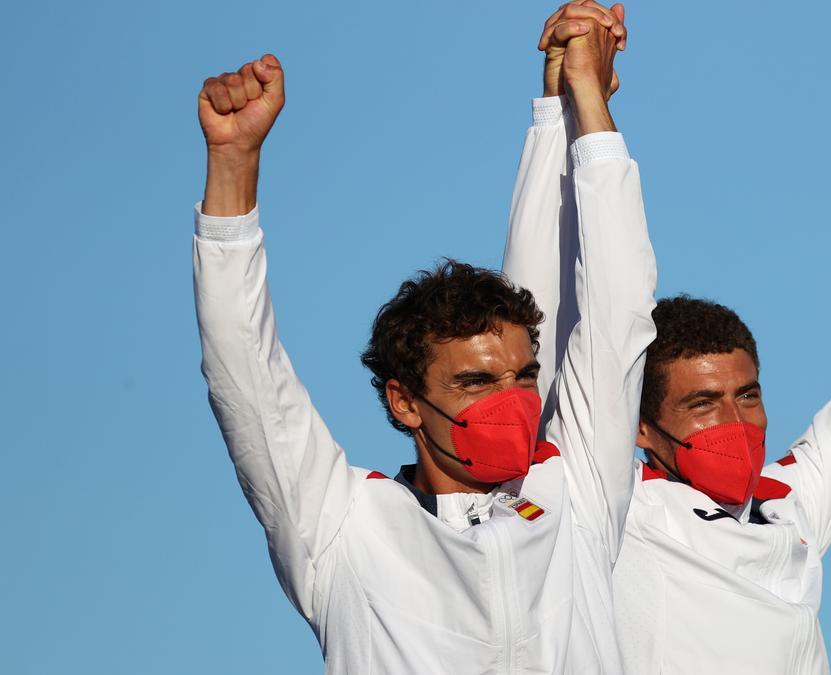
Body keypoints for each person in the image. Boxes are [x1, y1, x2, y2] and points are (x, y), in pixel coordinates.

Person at [505, 11, 831, 669]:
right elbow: (548, 324)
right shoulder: (611, 510)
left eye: (746, 395)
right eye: (703, 403)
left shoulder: (790, 506)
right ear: (640, 427)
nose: (735, 421)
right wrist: (566, 107)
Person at [192, 8, 651, 673]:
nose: (514, 401)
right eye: (474, 382)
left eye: (523, 377)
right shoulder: (346, 526)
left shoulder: (573, 493)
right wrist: (233, 165)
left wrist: (583, 106)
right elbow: (245, 373)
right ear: (404, 401)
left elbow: (621, 308)